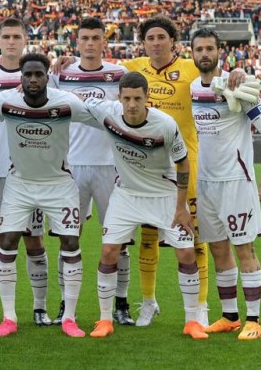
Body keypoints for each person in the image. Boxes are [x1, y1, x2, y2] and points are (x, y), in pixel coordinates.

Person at [82, 72, 205, 339]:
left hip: (164, 194)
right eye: (127, 98)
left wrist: (181, 207)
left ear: (147, 97)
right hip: (127, 194)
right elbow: (75, 98)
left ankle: (192, 321)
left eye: (137, 98)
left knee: (186, 253)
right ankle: (105, 319)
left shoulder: (165, 125)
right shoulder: (107, 113)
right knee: (109, 251)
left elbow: (183, 163)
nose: (132, 104)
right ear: (119, 97)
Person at [0, 53, 93, 338]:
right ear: (21, 78)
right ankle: (9, 318)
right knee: (7, 242)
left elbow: (99, 116)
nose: (33, 79)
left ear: (47, 76)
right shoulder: (6, 101)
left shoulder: (66, 103)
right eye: (28, 75)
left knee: (70, 243)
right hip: (20, 184)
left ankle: (69, 318)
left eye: (38, 74)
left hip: (59, 184)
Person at [190, 28, 261, 340]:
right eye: (199, 49)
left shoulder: (236, 84)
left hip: (237, 181)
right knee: (218, 249)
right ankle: (230, 317)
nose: (204, 54)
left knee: (244, 249)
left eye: (209, 48)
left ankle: (254, 320)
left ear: (219, 52)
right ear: (192, 54)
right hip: (206, 183)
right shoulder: (192, 87)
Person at [0, 19, 52, 327]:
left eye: (17, 36)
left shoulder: (39, 74)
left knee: (33, 240)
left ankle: (39, 308)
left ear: (26, 39)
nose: (12, 41)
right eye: (6, 36)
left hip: (29, 172)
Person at [49, 17, 132, 325]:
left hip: (111, 166)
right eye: (84, 38)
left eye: (96, 38)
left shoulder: (119, 73)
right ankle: (65, 304)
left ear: (104, 42)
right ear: (77, 42)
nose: (90, 43)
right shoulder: (61, 74)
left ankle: (121, 303)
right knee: (69, 237)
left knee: (119, 239)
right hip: (72, 167)